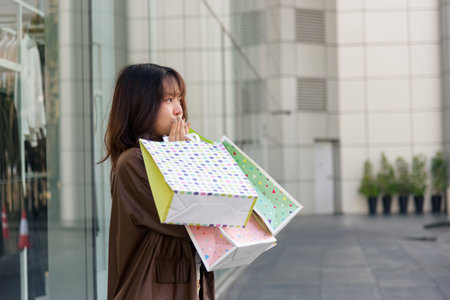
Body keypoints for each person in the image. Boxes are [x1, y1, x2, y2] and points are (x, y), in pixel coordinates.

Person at [101, 63, 215, 300]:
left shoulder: (170, 153)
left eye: (180, 99)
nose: (179, 110)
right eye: (168, 99)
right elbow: (188, 220)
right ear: (140, 105)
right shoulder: (133, 163)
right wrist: (181, 159)